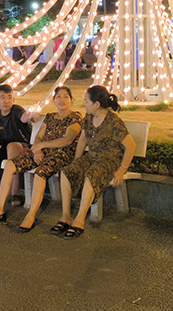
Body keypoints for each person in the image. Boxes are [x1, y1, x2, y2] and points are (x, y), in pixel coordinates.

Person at [0, 86, 82, 232]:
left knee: (40, 172)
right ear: (53, 100)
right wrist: (37, 149)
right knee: (10, 165)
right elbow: (39, 136)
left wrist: (41, 146)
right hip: (41, 153)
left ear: (71, 100)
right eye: (58, 96)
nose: (62, 100)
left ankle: (30, 216)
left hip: (62, 154)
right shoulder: (50, 117)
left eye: (65, 96)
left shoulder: (75, 117)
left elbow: (67, 140)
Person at [53, 85, 136, 239]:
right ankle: (66, 216)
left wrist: (121, 170)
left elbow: (131, 146)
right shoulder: (89, 117)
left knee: (91, 174)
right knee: (66, 171)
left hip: (109, 160)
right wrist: (76, 161)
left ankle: (79, 220)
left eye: (86, 101)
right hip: (92, 157)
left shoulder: (113, 122)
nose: (84, 104)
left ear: (97, 104)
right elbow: (83, 139)